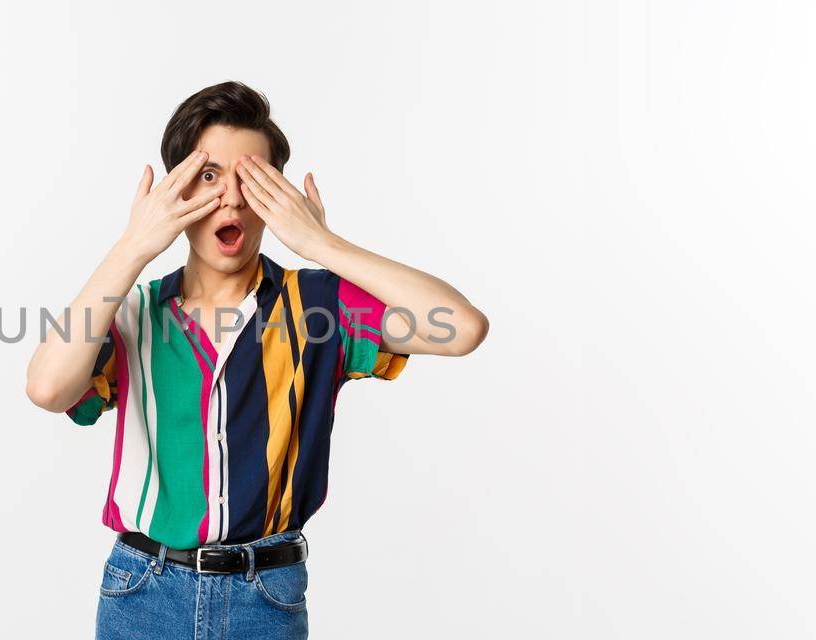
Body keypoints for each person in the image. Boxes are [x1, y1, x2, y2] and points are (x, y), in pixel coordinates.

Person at [25, 80, 489, 639]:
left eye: (253, 178)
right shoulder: (130, 313)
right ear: (175, 190)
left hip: (264, 599)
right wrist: (132, 246)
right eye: (209, 175)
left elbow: (461, 327)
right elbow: (48, 388)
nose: (233, 198)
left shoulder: (322, 307)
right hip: (142, 594)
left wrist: (322, 243)